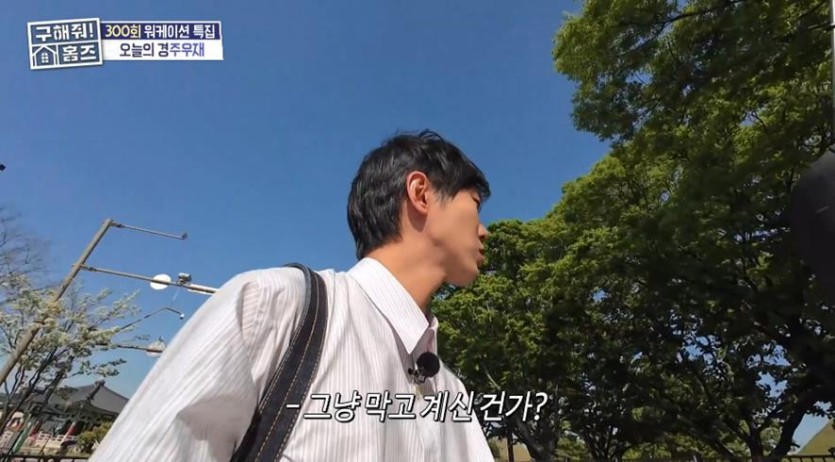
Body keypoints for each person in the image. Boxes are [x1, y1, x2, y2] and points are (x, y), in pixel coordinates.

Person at [90, 129, 495, 461]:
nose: (484, 230)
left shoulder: (451, 391)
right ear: (421, 193)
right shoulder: (272, 307)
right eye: (475, 205)